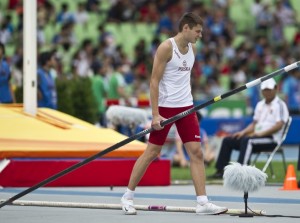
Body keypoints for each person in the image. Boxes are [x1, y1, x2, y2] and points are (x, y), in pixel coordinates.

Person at [120, 12, 227, 215]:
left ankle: (202, 202)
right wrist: (155, 115)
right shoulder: (166, 47)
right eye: (197, 31)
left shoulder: (193, 49)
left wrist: (189, 103)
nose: (200, 35)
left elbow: (184, 80)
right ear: (185, 28)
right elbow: (153, 81)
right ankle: (127, 196)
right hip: (165, 109)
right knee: (152, 152)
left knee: (196, 152)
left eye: (201, 32)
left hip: (187, 107)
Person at [209, 78, 289, 179]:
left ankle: (241, 173)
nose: (266, 92)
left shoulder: (280, 105)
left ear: (276, 88)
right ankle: (220, 171)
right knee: (228, 140)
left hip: (271, 139)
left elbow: (279, 125)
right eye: (264, 90)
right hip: (256, 137)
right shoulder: (260, 104)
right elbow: (254, 124)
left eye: (269, 89)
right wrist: (242, 132)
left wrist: (261, 134)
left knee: (248, 141)